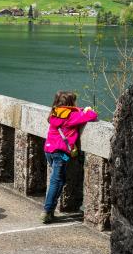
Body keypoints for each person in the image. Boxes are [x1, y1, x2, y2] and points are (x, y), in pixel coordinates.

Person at [41, 90, 98, 224]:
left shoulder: (54, 113)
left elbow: (74, 113)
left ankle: (50, 210)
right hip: (60, 153)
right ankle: (47, 211)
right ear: (71, 103)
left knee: (59, 180)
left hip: (48, 150)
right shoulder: (72, 116)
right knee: (56, 181)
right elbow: (92, 115)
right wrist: (88, 109)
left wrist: (79, 109)